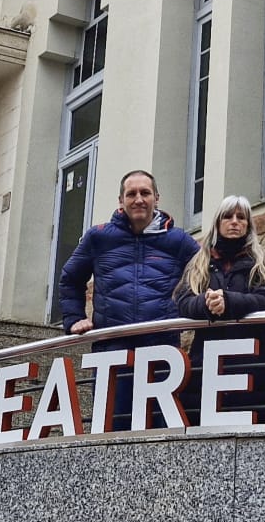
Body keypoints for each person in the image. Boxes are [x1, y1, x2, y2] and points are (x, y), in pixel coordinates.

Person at [58, 169, 200, 428]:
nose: (138, 199)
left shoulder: (178, 240)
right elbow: (70, 278)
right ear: (121, 200)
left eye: (145, 193)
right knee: (112, 430)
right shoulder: (98, 237)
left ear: (156, 198)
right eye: (131, 194)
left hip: (163, 350)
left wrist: (194, 307)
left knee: (162, 431)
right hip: (111, 351)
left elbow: (206, 273)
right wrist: (74, 317)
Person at [173, 195, 265, 425]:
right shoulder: (199, 262)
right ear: (218, 222)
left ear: (248, 225)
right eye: (228, 217)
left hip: (252, 365)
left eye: (241, 218)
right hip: (206, 366)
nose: (234, 222)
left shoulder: (262, 261)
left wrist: (228, 302)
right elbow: (182, 300)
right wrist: (206, 303)